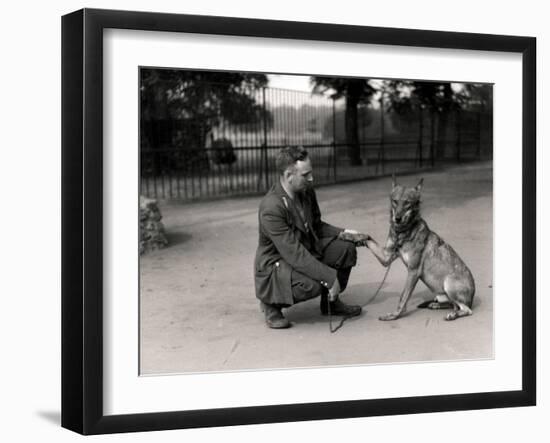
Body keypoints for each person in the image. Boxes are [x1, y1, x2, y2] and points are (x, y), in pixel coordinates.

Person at [254, 146, 368, 329]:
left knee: (345, 249)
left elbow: (316, 226)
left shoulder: (306, 192)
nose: (311, 179)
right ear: (288, 175)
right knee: (313, 284)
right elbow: (294, 254)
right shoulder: (271, 208)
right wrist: (330, 278)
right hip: (278, 262)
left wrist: (345, 232)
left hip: (303, 251)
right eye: (305, 175)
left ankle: (331, 302)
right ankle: (271, 304)